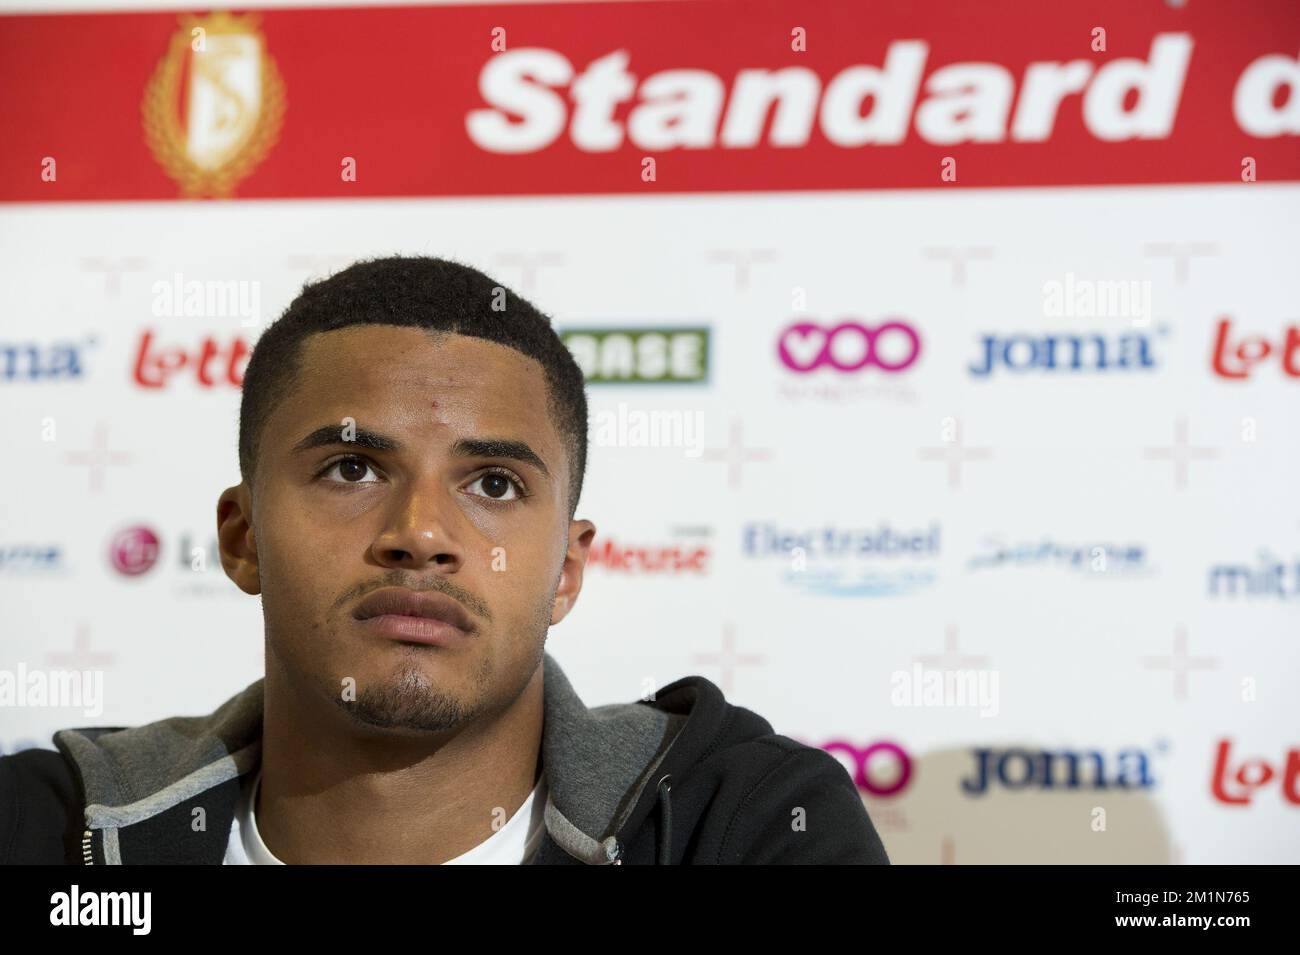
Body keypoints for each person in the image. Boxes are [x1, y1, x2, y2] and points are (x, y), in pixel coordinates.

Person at [0, 255, 889, 865]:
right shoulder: (44, 829)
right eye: (352, 467)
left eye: (494, 485)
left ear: (568, 571)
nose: (421, 532)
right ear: (241, 538)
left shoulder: (735, 827)